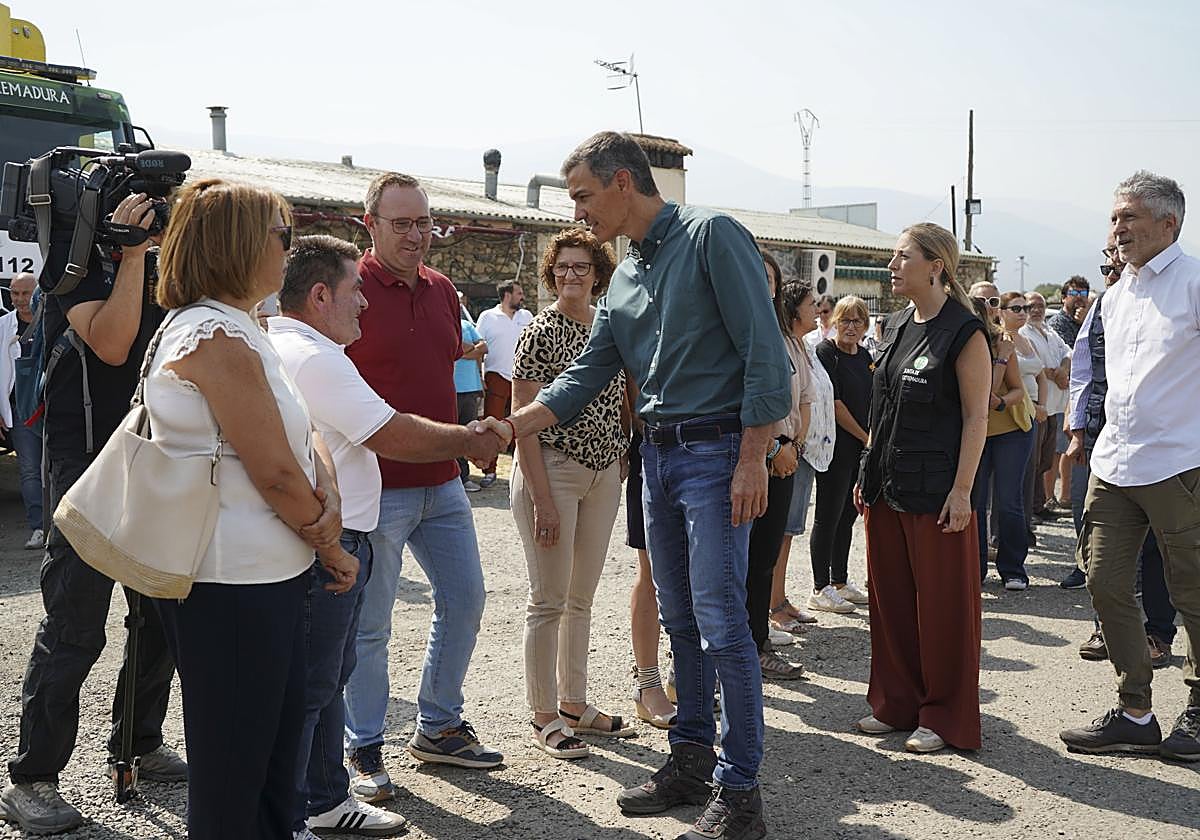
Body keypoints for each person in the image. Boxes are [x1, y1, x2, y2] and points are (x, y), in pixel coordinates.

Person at [492, 131, 790, 840]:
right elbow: (587, 373)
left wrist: (753, 456)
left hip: (719, 455)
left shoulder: (712, 235)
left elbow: (764, 356)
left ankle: (740, 790)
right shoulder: (625, 272)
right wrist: (511, 427)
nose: (580, 211)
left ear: (624, 182)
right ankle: (690, 759)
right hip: (655, 458)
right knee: (680, 618)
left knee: (722, 625)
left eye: (585, 196)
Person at [139, 178, 356, 838]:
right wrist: (331, 543)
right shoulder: (215, 336)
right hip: (231, 584)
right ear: (238, 245)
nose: (287, 254)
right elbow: (275, 473)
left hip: (260, 578)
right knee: (237, 776)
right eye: (281, 237)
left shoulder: (239, 325)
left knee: (268, 763)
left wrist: (327, 491)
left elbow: (299, 429)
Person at [270, 235, 507, 836]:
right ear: (321, 295)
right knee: (316, 683)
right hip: (335, 537)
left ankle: (324, 798)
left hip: (349, 529)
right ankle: (291, 810)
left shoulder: (303, 345)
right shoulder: (316, 357)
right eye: (354, 294)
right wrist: (469, 438)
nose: (365, 306)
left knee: (326, 677)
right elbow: (390, 432)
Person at [1, 195, 185, 834]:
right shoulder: (68, 270)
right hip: (83, 467)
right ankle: (34, 778)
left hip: (153, 461)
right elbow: (112, 344)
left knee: (160, 612)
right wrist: (132, 257)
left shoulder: (169, 270)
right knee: (77, 624)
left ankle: (138, 743)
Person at [344, 173, 503, 803]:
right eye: (402, 224)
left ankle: (436, 725)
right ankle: (362, 745)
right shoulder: (347, 292)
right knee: (371, 625)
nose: (416, 236)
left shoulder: (443, 290)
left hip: (444, 482)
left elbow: (456, 363)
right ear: (371, 225)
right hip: (375, 488)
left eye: (424, 223)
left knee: (465, 599)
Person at [1060, 172, 1200, 762]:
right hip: (1115, 462)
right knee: (1104, 581)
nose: (1117, 228)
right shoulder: (1113, 297)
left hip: (1180, 461)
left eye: (1130, 217)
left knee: (1192, 590)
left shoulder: (1193, 282)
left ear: (1169, 223)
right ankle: (1136, 711)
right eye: (1114, 218)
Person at [855, 222, 989, 753]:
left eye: (901, 257)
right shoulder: (893, 325)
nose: (891, 267)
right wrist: (867, 470)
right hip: (887, 487)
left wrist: (962, 492)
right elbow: (878, 407)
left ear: (936, 266)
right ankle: (896, 704)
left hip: (937, 493)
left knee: (943, 610)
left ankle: (945, 716)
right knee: (889, 602)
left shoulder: (966, 331)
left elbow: (977, 418)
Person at [509, 228, 632, 759]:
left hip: (603, 473)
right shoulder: (539, 332)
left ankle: (574, 704)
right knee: (548, 600)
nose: (570, 275)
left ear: (598, 272)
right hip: (552, 472)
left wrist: (622, 451)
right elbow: (522, 422)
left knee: (580, 598)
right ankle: (543, 715)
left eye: (581, 267)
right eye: (562, 267)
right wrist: (540, 498)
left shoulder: (610, 326)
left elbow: (621, 393)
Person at [746, 252, 806, 680]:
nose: (764, 284)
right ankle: (748, 649)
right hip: (760, 457)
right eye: (756, 275)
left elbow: (801, 395)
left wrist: (793, 444)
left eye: (770, 278)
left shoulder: (783, 335)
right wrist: (772, 449)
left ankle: (758, 642)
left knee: (765, 557)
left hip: (787, 455)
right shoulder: (743, 331)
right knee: (745, 561)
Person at [771, 280, 833, 632]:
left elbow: (809, 397)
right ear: (793, 309)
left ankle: (779, 599)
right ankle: (771, 606)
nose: (816, 310)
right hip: (783, 449)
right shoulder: (780, 344)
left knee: (789, 530)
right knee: (777, 533)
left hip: (800, 449)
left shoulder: (803, 346)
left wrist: (798, 443)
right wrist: (788, 445)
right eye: (811, 304)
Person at [808, 295, 873, 614]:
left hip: (859, 448)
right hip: (835, 446)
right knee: (828, 515)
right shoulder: (826, 352)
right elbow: (834, 405)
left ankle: (840, 580)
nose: (851, 326)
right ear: (834, 322)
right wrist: (866, 437)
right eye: (845, 320)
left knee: (848, 514)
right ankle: (820, 587)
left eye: (858, 321)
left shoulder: (864, 356)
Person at [970, 283, 1031, 588]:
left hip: (1010, 430)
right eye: (979, 300)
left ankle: (1013, 569)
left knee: (1008, 501)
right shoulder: (964, 339)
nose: (987, 306)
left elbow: (1017, 390)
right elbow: (984, 391)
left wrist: (1002, 402)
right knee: (975, 503)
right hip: (975, 432)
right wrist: (1001, 360)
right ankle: (976, 568)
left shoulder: (1002, 340)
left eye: (993, 300)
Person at [999, 292, 1048, 549]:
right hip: (1010, 415)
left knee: (1028, 477)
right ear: (1002, 311)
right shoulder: (1000, 340)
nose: (1023, 312)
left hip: (1031, 415)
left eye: (1025, 308)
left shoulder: (1027, 339)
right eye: (1016, 308)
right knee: (1007, 487)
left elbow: (1040, 374)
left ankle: (1023, 532)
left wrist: (1042, 406)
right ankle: (1000, 540)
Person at [476, 280, 533, 488]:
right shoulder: (487, 317)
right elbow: (478, 347)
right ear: (507, 295)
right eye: (519, 293)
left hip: (523, 378)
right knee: (493, 424)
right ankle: (489, 470)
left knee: (525, 424)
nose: (522, 296)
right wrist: (479, 377)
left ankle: (526, 470)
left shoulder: (527, 316)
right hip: (496, 377)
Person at [1019, 292, 1071, 517]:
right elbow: (1034, 365)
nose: (1037, 310)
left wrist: (1063, 370)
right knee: (1033, 461)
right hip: (1037, 406)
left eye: (1040, 306)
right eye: (1031, 306)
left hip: (1054, 406)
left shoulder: (1049, 331)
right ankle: (1030, 510)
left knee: (1045, 460)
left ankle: (1039, 506)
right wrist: (1056, 374)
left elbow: (1068, 352)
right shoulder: (1023, 333)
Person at [2, 272, 44, 549]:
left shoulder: (54, 318)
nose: (19, 300)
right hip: (20, 408)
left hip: (52, 404)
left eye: (25, 293)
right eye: (14, 294)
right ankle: (39, 527)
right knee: (29, 469)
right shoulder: (3, 326)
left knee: (59, 466)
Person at [456, 296, 488, 492]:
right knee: (450, 433)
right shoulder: (442, 324)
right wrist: (470, 349)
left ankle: (464, 476)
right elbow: (462, 346)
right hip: (450, 388)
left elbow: (484, 348)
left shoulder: (467, 324)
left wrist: (463, 352)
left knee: (468, 434)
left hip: (470, 387)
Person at [1048, 275, 1092, 349]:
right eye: (1074, 293)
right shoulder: (1057, 323)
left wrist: (1085, 323)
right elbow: (1072, 352)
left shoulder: (1090, 321)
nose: (1079, 296)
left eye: (1083, 293)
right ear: (1063, 298)